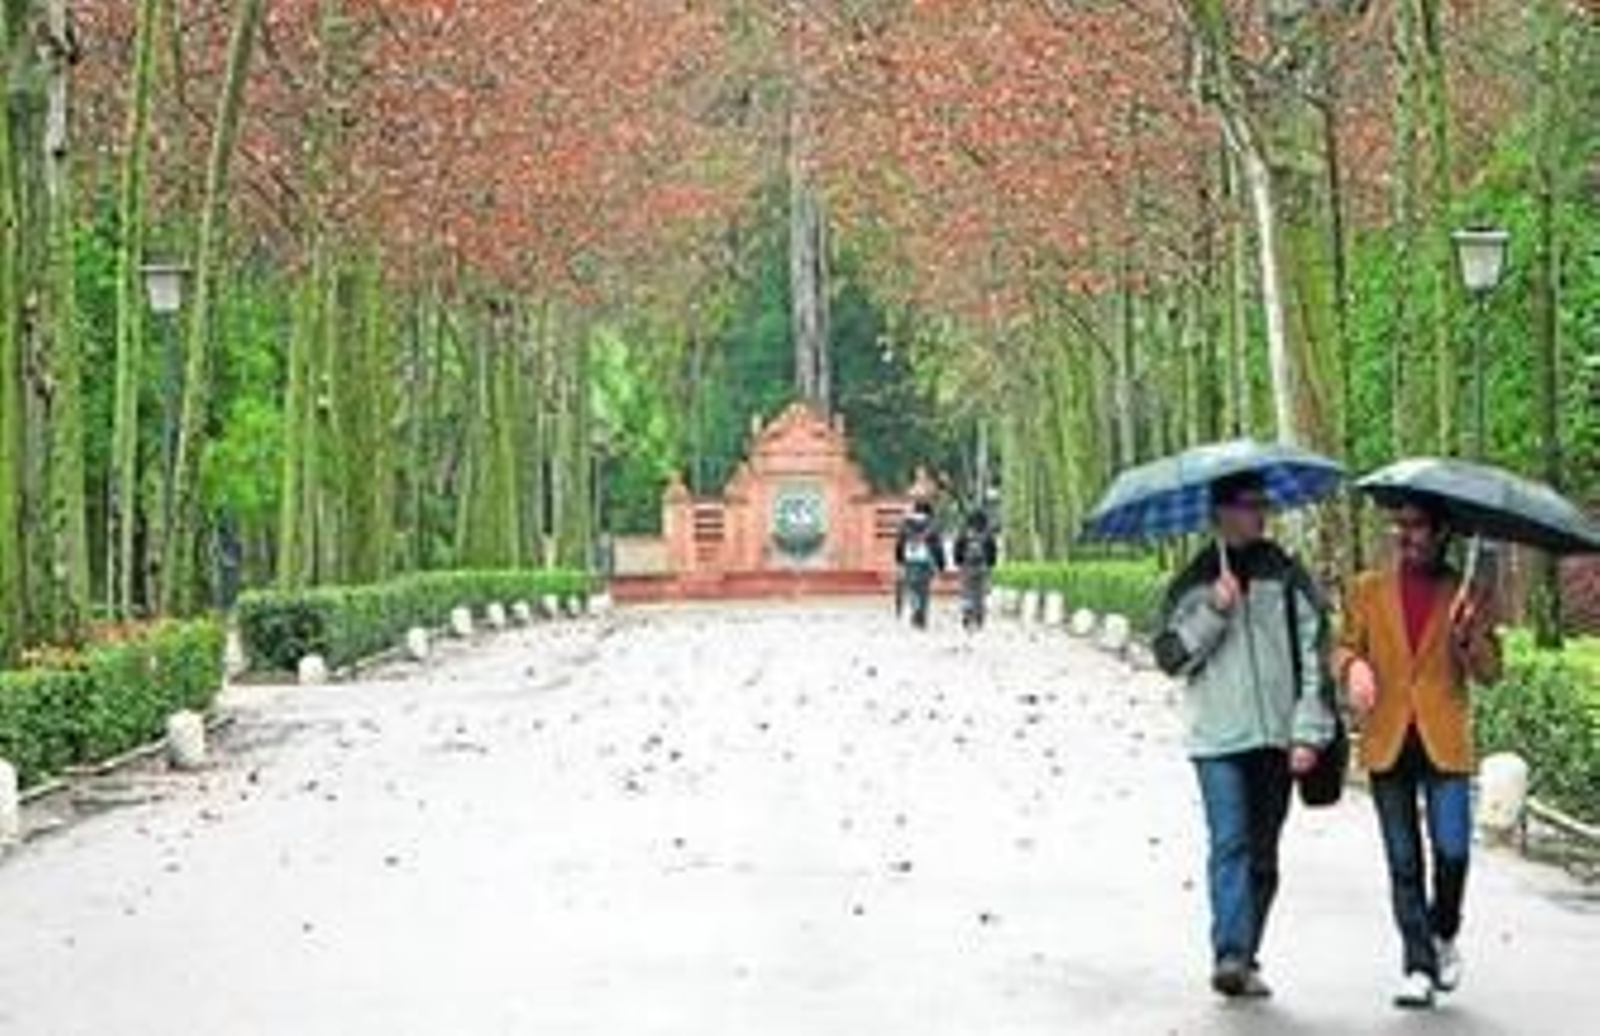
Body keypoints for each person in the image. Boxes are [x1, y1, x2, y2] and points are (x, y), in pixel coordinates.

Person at [1152, 470, 1335, 1000]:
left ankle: (1246, 955)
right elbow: (1170, 657)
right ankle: (1229, 953)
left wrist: (1308, 733)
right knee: (1229, 842)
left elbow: (1313, 657)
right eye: (1250, 505)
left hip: (1276, 738)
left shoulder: (1287, 575)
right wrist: (1215, 610)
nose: (1261, 514)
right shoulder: (1193, 581)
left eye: (1264, 504)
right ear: (1220, 513)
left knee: (1262, 854)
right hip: (1216, 738)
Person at [1333, 497, 1502, 1010]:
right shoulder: (1366, 589)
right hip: (1387, 738)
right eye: (1399, 525)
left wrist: (1469, 636)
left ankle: (1444, 930)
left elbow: (1491, 672)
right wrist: (1352, 668)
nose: (1404, 535)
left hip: (1443, 740)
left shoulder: (1465, 592)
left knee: (1453, 851)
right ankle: (1418, 966)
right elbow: (1342, 646)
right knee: (1403, 861)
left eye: (1416, 526)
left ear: (1442, 532)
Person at [895, 500, 946, 630]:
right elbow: (937, 547)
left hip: (909, 560)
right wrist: (941, 565)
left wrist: (899, 560)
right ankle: (921, 620)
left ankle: (914, 606)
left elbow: (899, 544)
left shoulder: (905, 523)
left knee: (911, 586)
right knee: (924, 591)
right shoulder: (932, 524)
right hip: (925, 562)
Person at [953, 509, 999, 631]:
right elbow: (993, 551)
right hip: (982, 566)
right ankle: (979, 616)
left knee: (966, 590)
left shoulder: (964, 533)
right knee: (980, 593)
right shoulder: (987, 534)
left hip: (967, 566)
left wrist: (958, 562)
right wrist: (991, 565)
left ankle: (967, 612)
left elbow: (957, 548)